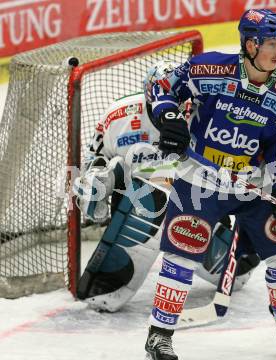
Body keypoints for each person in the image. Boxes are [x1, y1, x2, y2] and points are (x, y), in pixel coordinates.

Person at [144, 8, 276, 360]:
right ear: (250, 43)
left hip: (252, 184)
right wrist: (169, 117)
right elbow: (160, 85)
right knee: (181, 253)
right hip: (200, 178)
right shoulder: (208, 68)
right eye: (272, 43)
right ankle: (159, 335)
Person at [72, 62, 259, 312]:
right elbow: (92, 165)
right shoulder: (120, 116)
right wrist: (94, 185)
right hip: (137, 205)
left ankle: (223, 253)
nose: (179, 110)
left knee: (239, 272)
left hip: (195, 206)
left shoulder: (208, 117)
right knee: (102, 292)